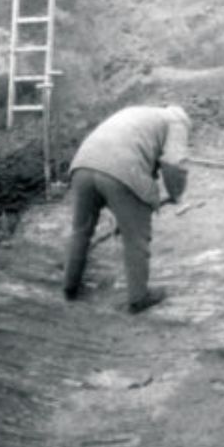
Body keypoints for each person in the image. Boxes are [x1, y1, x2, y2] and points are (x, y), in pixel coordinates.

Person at [63, 103, 190, 313]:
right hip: (121, 170)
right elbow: (174, 163)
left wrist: (124, 212)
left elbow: (122, 156)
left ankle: (69, 287)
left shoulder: (140, 114)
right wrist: (177, 193)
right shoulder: (177, 121)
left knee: (80, 231)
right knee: (136, 239)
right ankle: (139, 298)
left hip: (83, 165)